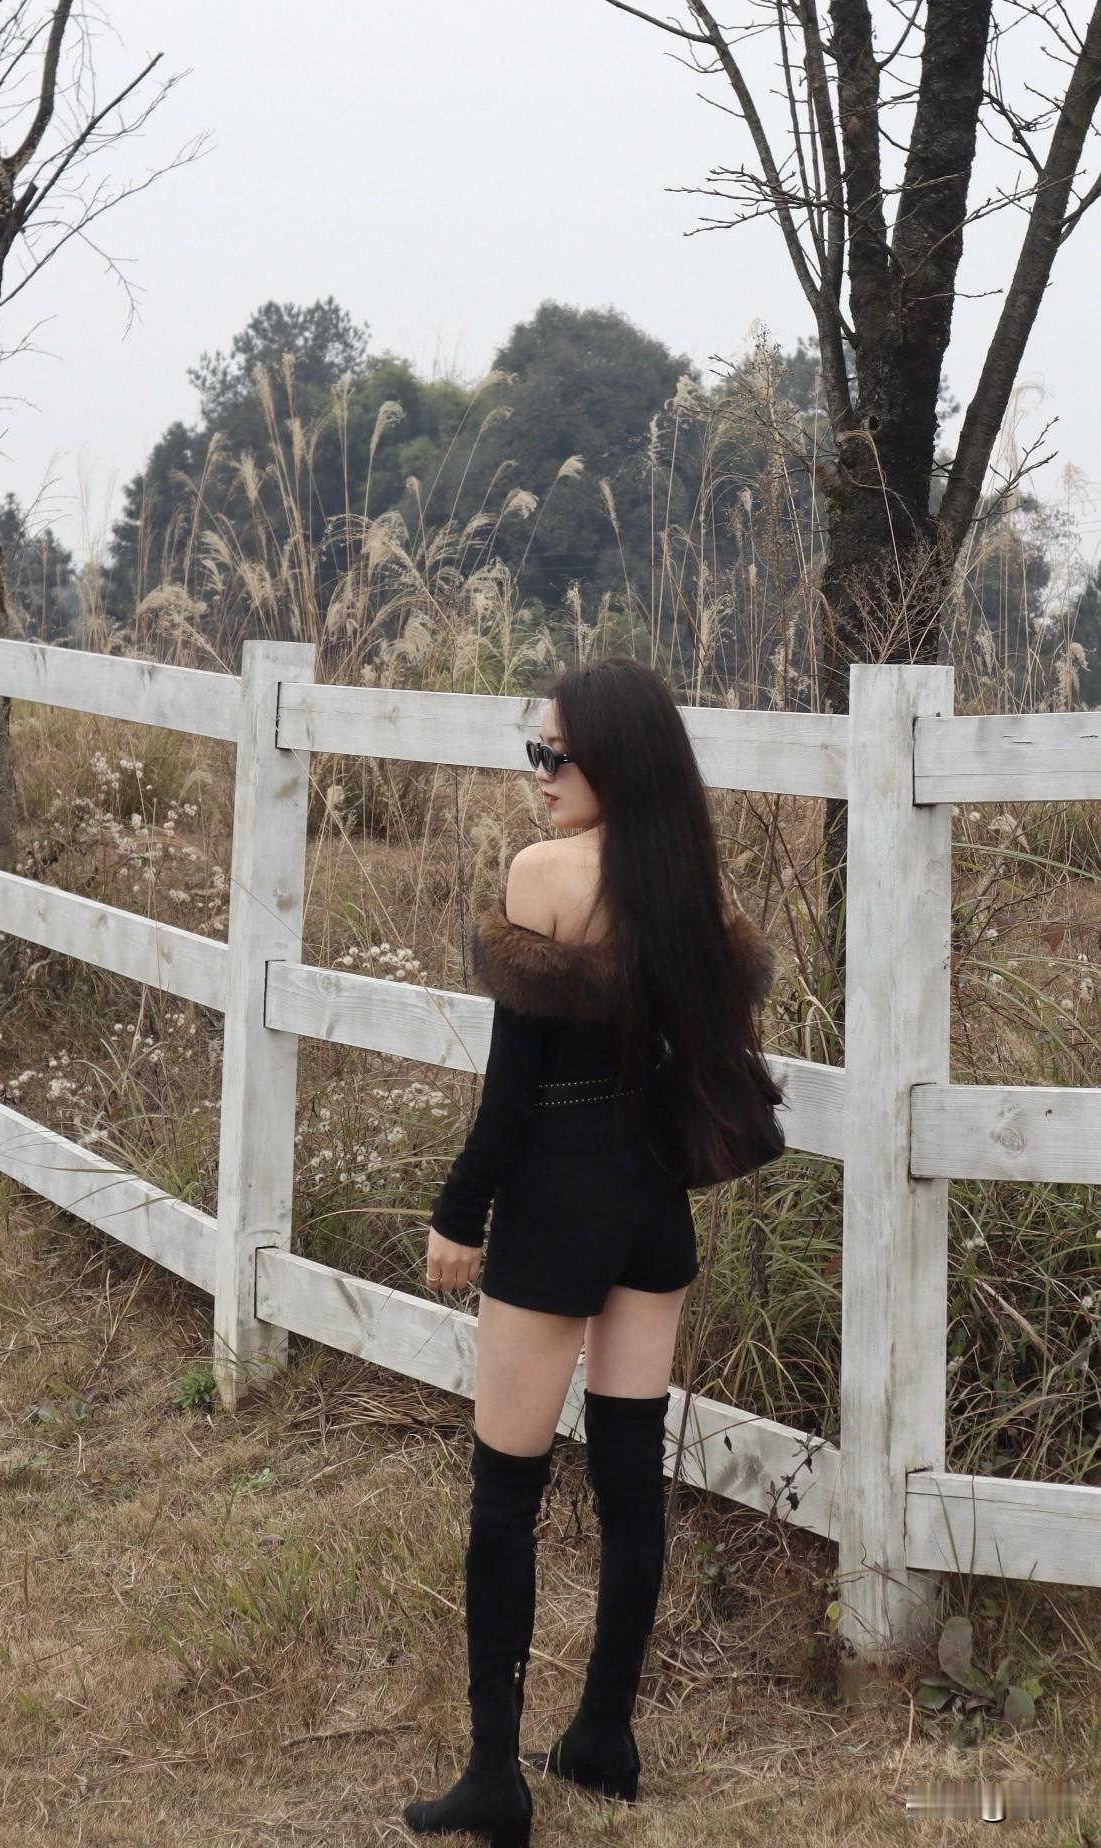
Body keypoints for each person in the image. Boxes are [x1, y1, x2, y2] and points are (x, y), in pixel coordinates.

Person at [402, 657, 779, 1844]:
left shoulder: (545, 874)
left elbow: (511, 1092)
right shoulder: (692, 882)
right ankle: (604, 1739)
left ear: (614, 757)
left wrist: (460, 1212)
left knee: (505, 1492)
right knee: (627, 1480)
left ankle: (494, 1778)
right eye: (537, 751)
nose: (540, 774)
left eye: (555, 754)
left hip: (558, 1202)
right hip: (652, 1207)